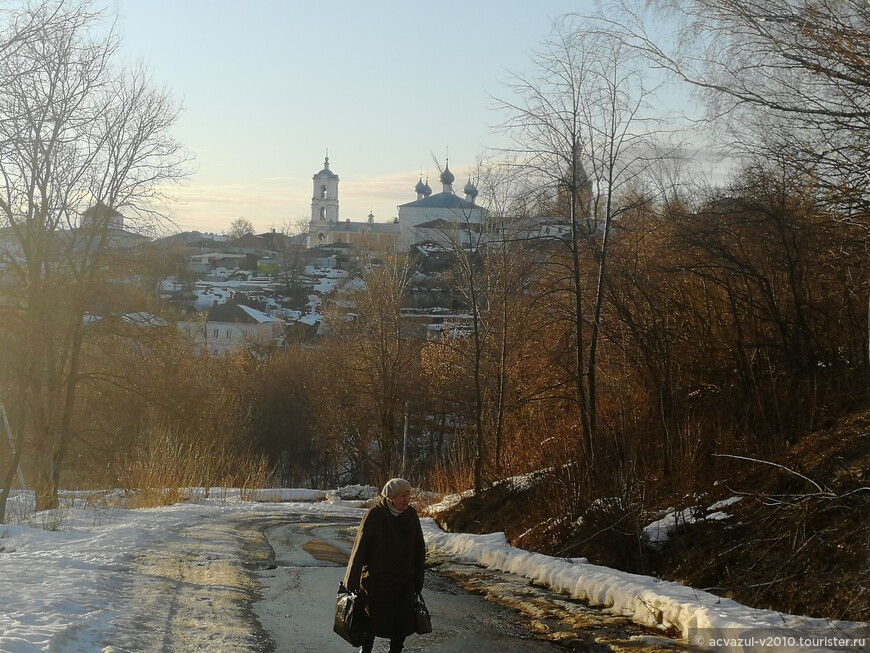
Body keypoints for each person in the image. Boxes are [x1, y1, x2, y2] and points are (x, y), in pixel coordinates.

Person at [344, 478, 426, 653]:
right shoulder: (374, 516)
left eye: (408, 495)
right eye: (403, 496)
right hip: (376, 581)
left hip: (404, 581)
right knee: (371, 621)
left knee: (401, 624)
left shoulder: (411, 516)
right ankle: (365, 650)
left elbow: (419, 549)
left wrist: (419, 578)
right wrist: (351, 583)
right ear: (391, 497)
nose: (407, 499)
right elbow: (359, 550)